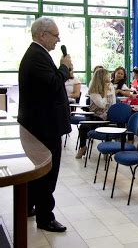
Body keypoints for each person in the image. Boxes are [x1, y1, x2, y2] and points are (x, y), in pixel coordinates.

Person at [18, 17, 72, 232]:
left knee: (38, 171)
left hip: (41, 124)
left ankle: (29, 206)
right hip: (43, 126)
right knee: (46, 172)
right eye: (55, 35)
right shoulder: (36, 57)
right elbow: (52, 85)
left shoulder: (38, 55)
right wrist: (64, 68)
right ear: (42, 34)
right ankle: (45, 217)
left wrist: (62, 71)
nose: (58, 40)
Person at [75, 68, 116, 159]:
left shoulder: (111, 86)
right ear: (101, 77)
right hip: (96, 116)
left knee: (109, 126)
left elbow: (113, 102)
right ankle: (83, 147)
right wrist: (105, 92)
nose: (109, 78)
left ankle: (107, 150)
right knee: (83, 127)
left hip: (108, 115)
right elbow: (101, 105)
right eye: (107, 76)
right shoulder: (94, 90)